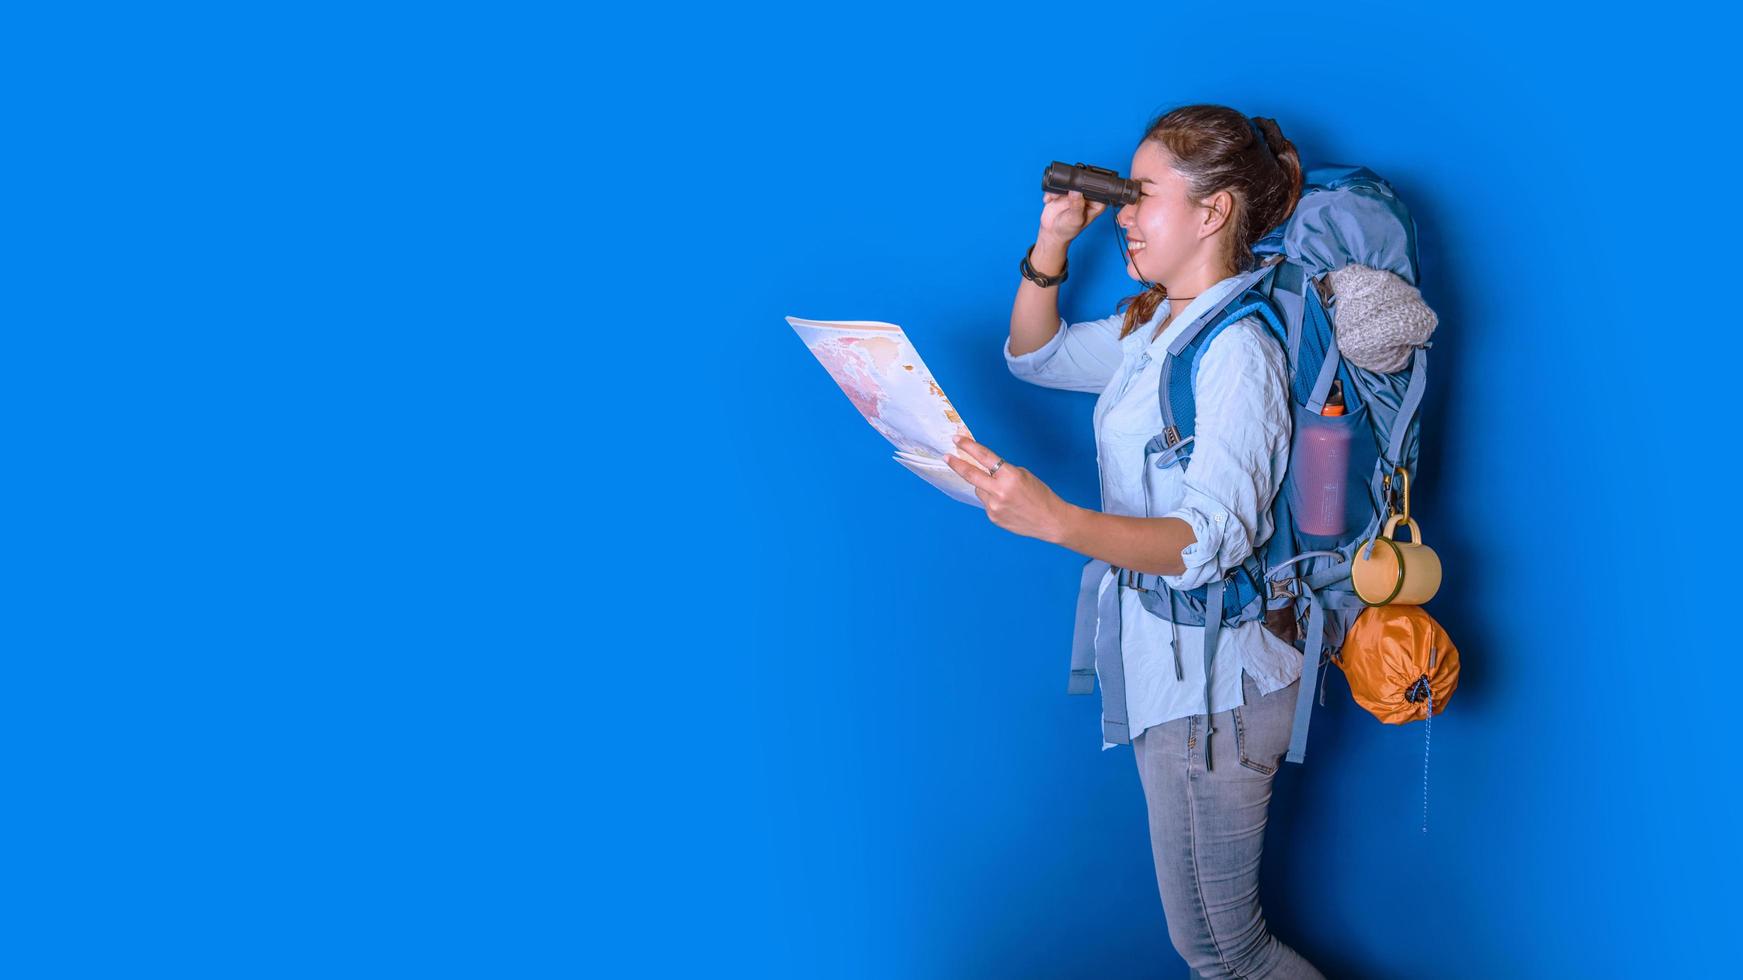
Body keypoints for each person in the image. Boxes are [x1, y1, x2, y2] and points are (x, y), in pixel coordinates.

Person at [943, 104, 1322, 979]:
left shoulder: (1237, 351)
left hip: (1217, 690)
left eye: (1140, 195)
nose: (1122, 212)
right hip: (1172, 670)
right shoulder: (1160, 328)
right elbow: (1032, 358)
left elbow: (1207, 543)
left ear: (1213, 211)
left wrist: (1057, 521)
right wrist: (1050, 243)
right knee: (1212, 949)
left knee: (1229, 954)